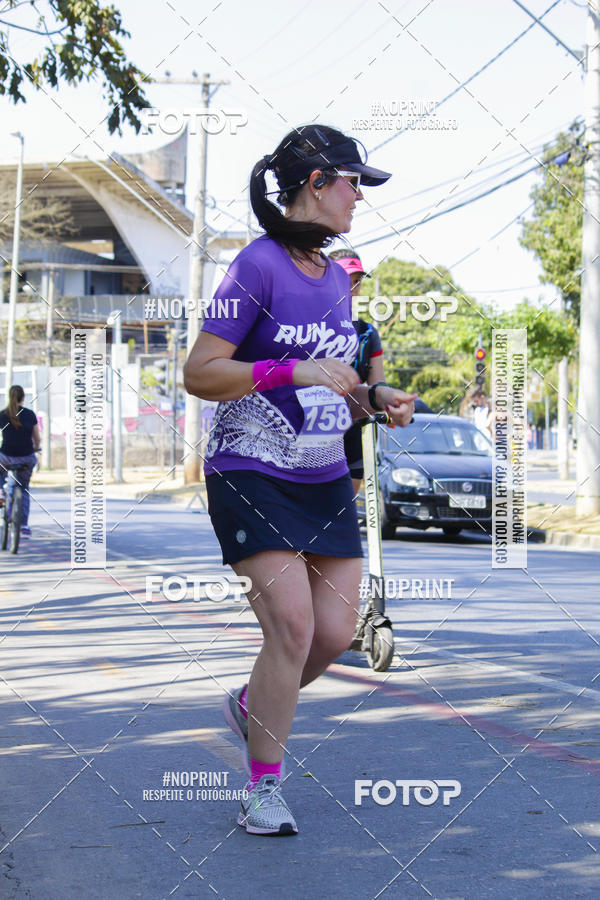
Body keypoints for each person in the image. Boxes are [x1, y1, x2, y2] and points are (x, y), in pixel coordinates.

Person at [184, 124, 416, 836]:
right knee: (290, 625)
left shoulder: (332, 282)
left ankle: (254, 705)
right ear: (317, 184)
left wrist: (375, 401)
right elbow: (199, 372)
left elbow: (337, 383)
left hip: (321, 475)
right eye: (352, 184)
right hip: (251, 467)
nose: (358, 199)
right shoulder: (255, 266)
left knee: (335, 630)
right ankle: (263, 786)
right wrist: (289, 369)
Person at [329, 249, 385, 496]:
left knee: (339, 515)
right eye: (346, 281)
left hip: (352, 434)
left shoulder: (367, 333)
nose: (353, 289)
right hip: (306, 436)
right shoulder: (305, 326)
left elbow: (379, 387)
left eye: (357, 282)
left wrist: (392, 402)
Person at [0, 385, 41, 537]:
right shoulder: (30, 414)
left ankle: (0, 493)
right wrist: (37, 448)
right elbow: (37, 438)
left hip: (5, 457)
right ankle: (24, 527)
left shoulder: (3, 414)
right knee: (23, 489)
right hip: (26, 458)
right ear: (23, 398)